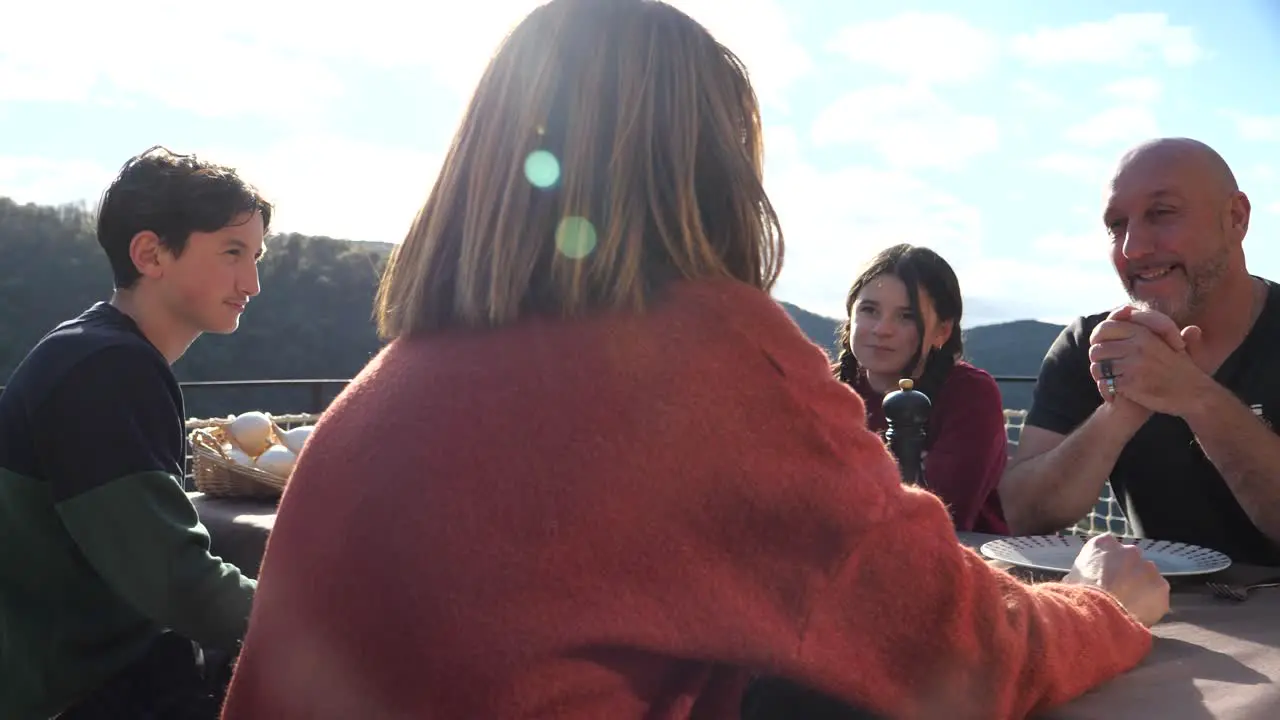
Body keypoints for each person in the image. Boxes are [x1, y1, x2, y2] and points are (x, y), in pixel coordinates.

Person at [220, 1, 1167, 718]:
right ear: (715, 170)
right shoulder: (707, 360)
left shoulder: (405, 376)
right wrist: (1104, 607)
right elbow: (962, 654)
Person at [0, 146, 269, 719]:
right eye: (232, 252)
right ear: (150, 253)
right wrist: (324, 624)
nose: (253, 282)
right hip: (72, 691)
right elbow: (177, 582)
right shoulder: (104, 371)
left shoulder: (96, 352)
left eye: (257, 257)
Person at [1000, 137, 1280, 566]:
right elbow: (1023, 515)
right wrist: (1121, 408)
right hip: (1156, 616)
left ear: (1236, 218)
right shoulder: (1090, 346)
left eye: (1162, 213)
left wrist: (1195, 397)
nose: (1132, 247)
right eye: (1116, 225)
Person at [834, 244, 1009, 534]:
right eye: (869, 310)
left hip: (955, 562)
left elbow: (939, 514)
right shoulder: (827, 392)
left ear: (942, 331)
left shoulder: (969, 395)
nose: (881, 329)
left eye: (907, 316)